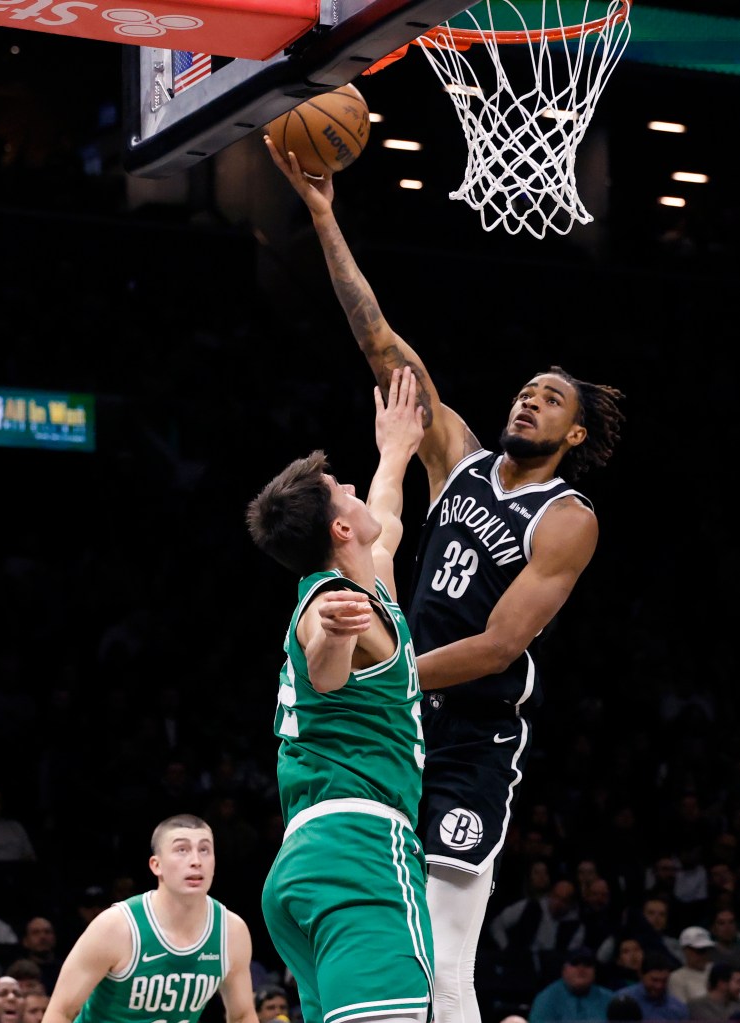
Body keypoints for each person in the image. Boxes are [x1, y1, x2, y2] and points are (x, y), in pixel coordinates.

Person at [265, 130, 625, 1023]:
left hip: (469, 733)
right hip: (402, 719)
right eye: (526, 389)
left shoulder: (566, 517)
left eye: (550, 398)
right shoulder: (456, 457)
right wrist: (323, 216)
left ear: (575, 435)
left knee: (443, 953)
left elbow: (500, 645)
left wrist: (388, 678)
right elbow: (378, 341)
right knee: (388, 936)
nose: (528, 399)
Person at [245, 367, 434, 1023]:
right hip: (361, 850)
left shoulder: (368, 582)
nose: (353, 489)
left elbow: (387, 514)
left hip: (308, 863)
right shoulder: (328, 603)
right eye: (339, 491)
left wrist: (396, 449)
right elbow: (325, 671)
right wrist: (331, 638)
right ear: (339, 531)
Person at [42, 814, 256, 1023]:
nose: (196, 861)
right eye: (182, 850)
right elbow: (60, 1012)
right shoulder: (116, 927)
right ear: (156, 865)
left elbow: (242, 1016)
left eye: (204, 850)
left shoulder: (231, 931)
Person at [527, 946, 613, 1023]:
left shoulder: (610, 999)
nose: (581, 969)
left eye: (587, 964)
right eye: (575, 963)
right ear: (564, 970)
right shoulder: (546, 1000)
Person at [620, 951, 688, 1021]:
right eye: (654, 980)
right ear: (641, 975)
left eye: (664, 980)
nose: (659, 986)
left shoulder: (678, 1008)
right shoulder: (622, 1003)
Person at [667, 925, 715, 1003]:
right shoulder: (677, 978)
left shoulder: (716, 970)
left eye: (706, 950)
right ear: (686, 951)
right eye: (699, 951)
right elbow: (681, 1007)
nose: (704, 955)